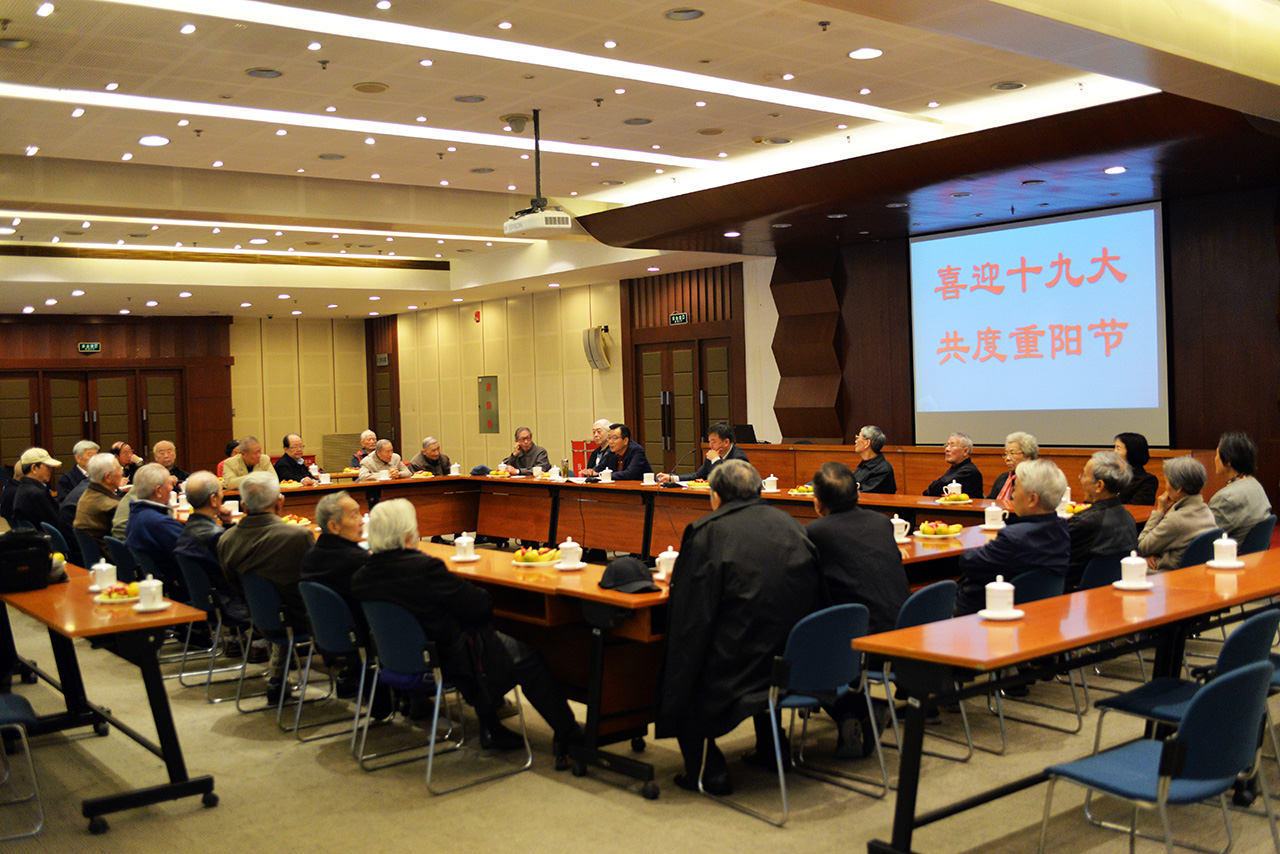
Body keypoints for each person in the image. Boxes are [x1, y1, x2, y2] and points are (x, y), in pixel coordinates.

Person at [351, 498, 582, 754]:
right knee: (524, 656)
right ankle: (568, 732)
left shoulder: (361, 576)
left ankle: (489, 724)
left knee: (473, 637)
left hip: (399, 659)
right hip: (449, 659)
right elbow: (480, 606)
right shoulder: (424, 569)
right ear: (407, 535)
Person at [656, 459, 822, 796]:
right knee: (759, 628)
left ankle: (710, 770)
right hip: (795, 659)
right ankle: (773, 747)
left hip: (741, 667)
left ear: (716, 496)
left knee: (681, 666)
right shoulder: (790, 523)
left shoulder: (707, 532)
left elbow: (692, 616)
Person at [806, 461, 908, 757]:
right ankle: (856, 711)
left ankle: (854, 710)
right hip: (902, 633)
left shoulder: (816, 531)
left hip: (863, 642)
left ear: (817, 502)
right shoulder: (880, 522)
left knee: (798, 650)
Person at [217, 472, 315, 704]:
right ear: (280, 502)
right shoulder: (298, 536)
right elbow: (314, 583)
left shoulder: (226, 540)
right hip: (302, 619)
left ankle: (278, 677)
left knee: (280, 601)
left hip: (256, 616)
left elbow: (234, 585)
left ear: (243, 505)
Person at [300, 492, 387, 706]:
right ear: (334, 526)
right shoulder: (357, 561)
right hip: (364, 639)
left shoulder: (309, 557)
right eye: (354, 515)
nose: (362, 520)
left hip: (328, 639)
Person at [955, 459, 1070, 616]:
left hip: (984, 611)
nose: (1012, 496)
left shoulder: (1014, 537)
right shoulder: (1062, 528)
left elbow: (969, 562)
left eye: (1015, 490)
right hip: (1042, 612)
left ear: (1032, 499)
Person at [173, 471, 252, 639]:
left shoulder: (188, 529)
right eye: (221, 492)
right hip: (230, 604)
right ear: (213, 499)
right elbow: (238, 568)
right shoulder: (214, 535)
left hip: (210, 602)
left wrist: (227, 523)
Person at [1066, 451, 1138, 590]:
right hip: (1110, 592)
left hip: (1073, 595)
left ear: (1099, 485)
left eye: (1084, 475)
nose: (1080, 480)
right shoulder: (1128, 518)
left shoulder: (1086, 522)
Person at [1138, 455, 1218, 572]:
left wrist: (1159, 511)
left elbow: (1141, 546)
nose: (1166, 487)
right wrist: (1151, 551)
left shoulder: (1176, 520)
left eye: (1167, 482)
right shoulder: (1206, 510)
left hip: (1165, 575)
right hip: (1195, 573)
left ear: (1179, 489)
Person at [124, 463, 187, 598]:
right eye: (169, 484)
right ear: (158, 491)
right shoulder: (159, 523)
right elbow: (193, 552)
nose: (172, 488)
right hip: (182, 588)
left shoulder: (136, 514)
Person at [1209, 431, 1271, 541]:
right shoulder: (1256, 485)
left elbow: (1204, 539)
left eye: (1217, 454)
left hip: (1231, 550)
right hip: (1256, 551)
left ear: (1228, 461)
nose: (1215, 458)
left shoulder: (1224, 498)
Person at [657, 422, 746, 484]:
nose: (710, 446)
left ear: (726, 442)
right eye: (709, 441)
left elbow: (726, 480)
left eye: (714, 442)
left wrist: (715, 459)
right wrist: (672, 478)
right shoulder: (712, 456)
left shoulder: (739, 458)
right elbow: (698, 475)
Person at [73, 453, 124, 550]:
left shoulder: (87, 495)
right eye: (119, 469)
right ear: (108, 477)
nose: (122, 472)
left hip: (95, 556)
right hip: (110, 556)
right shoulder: (112, 506)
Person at [10, 447, 62, 531]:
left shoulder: (22, 488)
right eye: (48, 467)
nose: (51, 470)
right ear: (34, 468)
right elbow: (56, 523)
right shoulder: (37, 494)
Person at [922, 432, 983, 498]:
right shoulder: (956, 467)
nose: (947, 449)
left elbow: (936, 489)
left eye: (952, 446)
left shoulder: (968, 471)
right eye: (947, 445)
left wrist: (930, 491)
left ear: (965, 451)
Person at [988, 432, 1038, 501]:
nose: (1007, 458)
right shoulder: (1002, 479)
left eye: (1012, 453)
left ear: (1028, 456)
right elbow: (989, 502)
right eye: (1006, 454)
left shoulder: (1036, 481)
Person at [1114, 432, 1159, 505]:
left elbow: (1138, 507)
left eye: (1118, 448)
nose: (1114, 452)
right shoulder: (1111, 474)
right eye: (1115, 448)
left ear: (1131, 451)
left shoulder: (1147, 480)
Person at [851, 425, 896, 494]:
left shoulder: (883, 470)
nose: (855, 441)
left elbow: (864, 495)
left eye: (858, 437)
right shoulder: (864, 464)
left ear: (867, 443)